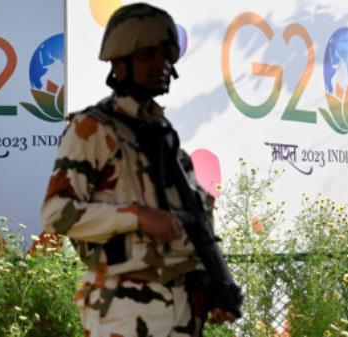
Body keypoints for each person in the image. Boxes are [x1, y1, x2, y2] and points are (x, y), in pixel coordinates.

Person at [41, 3, 240, 336]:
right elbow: (55, 213)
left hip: (182, 306)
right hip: (122, 308)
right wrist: (135, 215)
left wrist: (215, 284)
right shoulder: (93, 129)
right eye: (148, 55)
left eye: (166, 55)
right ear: (119, 63)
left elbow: (196, 221)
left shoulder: (164, 136)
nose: (160, 65)